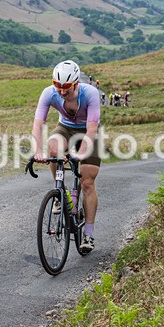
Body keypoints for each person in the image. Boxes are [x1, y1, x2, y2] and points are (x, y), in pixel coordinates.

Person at [31, 60, 102, 252]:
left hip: (88, 132)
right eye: (58, 86)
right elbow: (38, 123)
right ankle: (59, 193)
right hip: (66, 128)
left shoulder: (90, 94)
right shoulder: (49, 93)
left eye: (67, 87)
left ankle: (88, 233)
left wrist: (80, 153)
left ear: (76, 83)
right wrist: (38, 150)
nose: (62, 91)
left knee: (87, 182)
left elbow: (91, 129)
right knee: (53, 149)